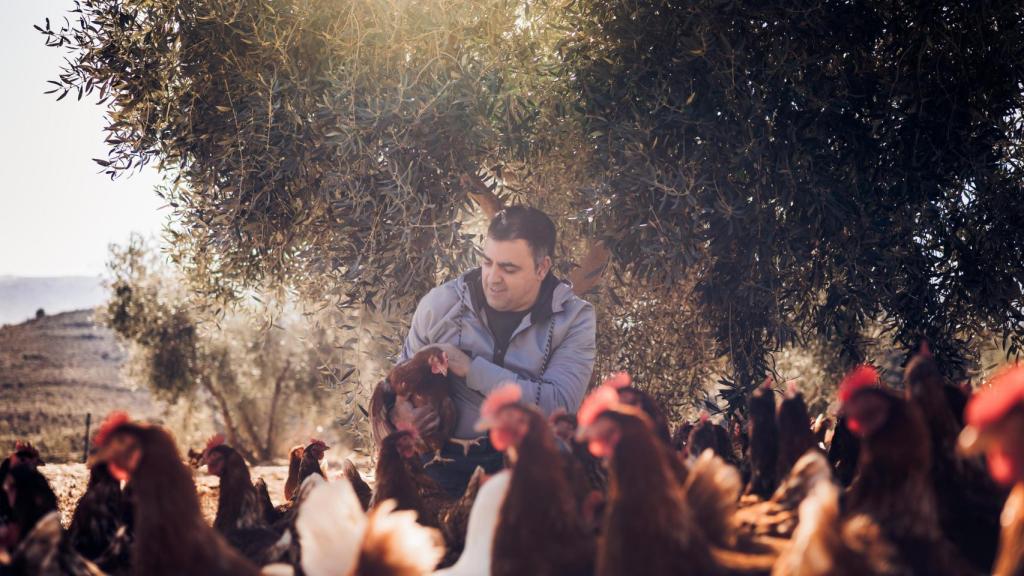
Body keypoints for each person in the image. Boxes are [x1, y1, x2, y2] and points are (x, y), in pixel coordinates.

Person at [371, 206, 597, 497]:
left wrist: (472, 369)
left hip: (526, 472)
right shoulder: (440, 305)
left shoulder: (573, 319)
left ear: (542, 268)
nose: (492, 278)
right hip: (439, 468)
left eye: (508, 268)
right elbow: (400, 382)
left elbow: (559, 405)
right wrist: (401, 414)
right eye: (487, 263)